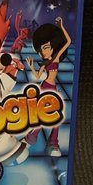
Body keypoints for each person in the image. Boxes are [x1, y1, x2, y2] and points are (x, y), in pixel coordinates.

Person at [24, 17, 71, 156]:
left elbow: (68, 41)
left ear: (53, 47)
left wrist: (61, 26)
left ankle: (52, 143)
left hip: (53, 89)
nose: (44, 52)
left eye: (46, 47)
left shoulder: (56, 58)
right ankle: (31, 139)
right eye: (41, 50)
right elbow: (38, 76)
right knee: (44, 115)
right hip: (45, 87)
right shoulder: (44, 64)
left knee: (56, 116)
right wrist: (31, 67)